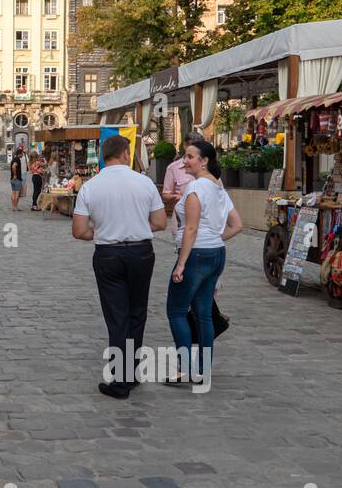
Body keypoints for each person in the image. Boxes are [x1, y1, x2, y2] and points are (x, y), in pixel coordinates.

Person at [72, 134, 168, 400]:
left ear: (104, 156)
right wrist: (135, 228)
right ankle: (131, 372)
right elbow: (160, 222)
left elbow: (79, 231)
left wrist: (103, 231)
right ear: (126, 154)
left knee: (117, 316)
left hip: (108, 254)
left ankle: (120, 379)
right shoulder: (144, 182)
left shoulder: (91, 187)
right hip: (141, 253)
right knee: (137, 313)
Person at [167, 140, 243, 386]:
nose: (184, 160)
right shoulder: (219, 188)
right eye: (184, 156)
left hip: (195, 255)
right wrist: (214, 239)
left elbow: (190, 228)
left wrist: (181, 264)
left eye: (189, 156)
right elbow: (237, 225)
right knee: (203, 315)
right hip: (216, 254)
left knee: (176, 311)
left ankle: (185, 368)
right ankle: (203, 370)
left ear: (204, 160)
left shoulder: (196, 188)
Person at [162, 133, 203, 234]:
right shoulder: (173, 168)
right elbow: (165, 195)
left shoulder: (208, 167)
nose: (195, 150)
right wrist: (178, 197)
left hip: (204, 225)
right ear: (185, 146)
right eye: (192, 146)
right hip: (182, 224)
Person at [9, 146, 25, 211]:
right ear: (20, 154)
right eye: (22, 154)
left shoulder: (13, 159)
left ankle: (13, 207)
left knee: (13, 193)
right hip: (16, 179)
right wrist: (15, 175)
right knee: (17, 194)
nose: (23, 155)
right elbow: (13, 167)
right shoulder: (17, 159)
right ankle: (15, 207)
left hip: (12, 179)